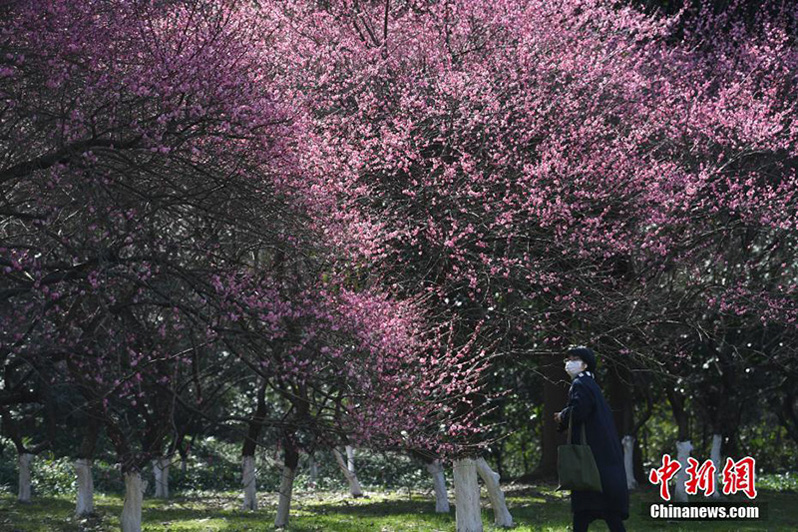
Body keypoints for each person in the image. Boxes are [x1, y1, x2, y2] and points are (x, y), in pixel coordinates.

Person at [554, 346, 629, 532]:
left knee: (585, 509)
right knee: (605, 513)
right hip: (603, 461)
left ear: (584, 364)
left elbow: (580, 411)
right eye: (567, 359)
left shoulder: (580, 384)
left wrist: (562, 416)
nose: (568, 363)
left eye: (573, 359)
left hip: (590, 461)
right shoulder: (593, 385)